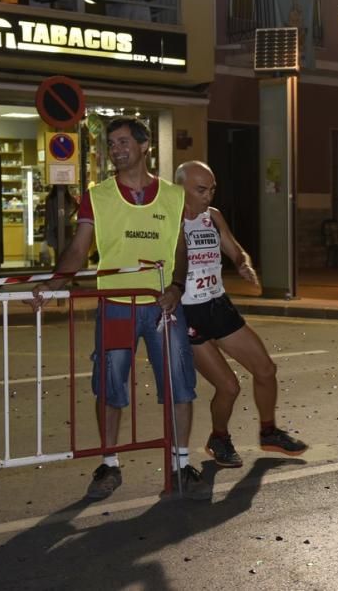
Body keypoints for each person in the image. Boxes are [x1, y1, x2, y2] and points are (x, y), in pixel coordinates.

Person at [29, 117, 209, 501]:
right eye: (111, 144)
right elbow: (79, 249)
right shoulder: (99, 195)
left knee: (180, 386)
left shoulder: (174, 196)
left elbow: (180, 248)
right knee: (110, 388)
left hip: (164, 308)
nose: (116, 149)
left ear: (145, 146)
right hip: (115, 305)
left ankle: (180, 464)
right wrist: (53, 283)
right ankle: (109, 463)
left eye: (124, 142)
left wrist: (177, 286)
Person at [174, 161, 308, 467]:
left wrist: (243, 264)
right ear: (180, 188)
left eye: (212, 189)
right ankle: (219, 437)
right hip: (188, 312)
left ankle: (268, 430)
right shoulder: (169, 220)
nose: (208, 196)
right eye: (200, 189)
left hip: (218, 305)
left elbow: (234, 249)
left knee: (265, 370)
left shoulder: (213, 217)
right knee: (229, 387)